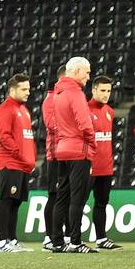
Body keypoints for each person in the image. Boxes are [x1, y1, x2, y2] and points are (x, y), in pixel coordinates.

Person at [50, 57, 96, 254]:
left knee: (62, 197)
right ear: (76, 71)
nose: (88, 76)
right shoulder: (75, 93)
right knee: (78, 198)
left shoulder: (57, 93)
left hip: (62, 149)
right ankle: (76, 242)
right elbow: (85, 123)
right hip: (78, 150)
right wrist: (92, 143)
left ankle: (57, 241)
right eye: (86, 72)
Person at [0, 74, 34, 253]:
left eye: (28, 89)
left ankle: (12, 240)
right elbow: (4, 136)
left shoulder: (24, 110)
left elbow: (26, 138)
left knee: (15, 203)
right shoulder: (5, 108)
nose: (28, 92)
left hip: (23, 164)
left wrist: (29, 159)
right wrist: (20, 155)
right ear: (12, 90)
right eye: (24, 89)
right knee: (6, 201)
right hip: (10, 163)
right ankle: (3, 242)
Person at [86, 75, 121, 250]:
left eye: (108, 91)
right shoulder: (85, 110)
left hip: (105, 167)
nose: (106, 94)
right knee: (77, 203)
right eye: (102, 90)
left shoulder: (109, 111)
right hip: (88, 166)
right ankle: (71, 237)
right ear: (93, 90)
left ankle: (101, 238)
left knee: (101, 203)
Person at [40, 64, 65, 252]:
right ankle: (49, 236)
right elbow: (52, 125)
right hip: (55, 154)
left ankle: (58, 234)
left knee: (63, 196)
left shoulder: (63, 97)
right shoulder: (51, 99)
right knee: (54, 195)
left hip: (66, 153)